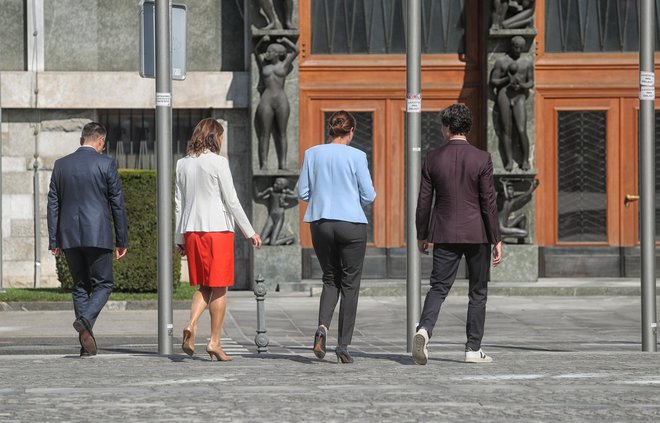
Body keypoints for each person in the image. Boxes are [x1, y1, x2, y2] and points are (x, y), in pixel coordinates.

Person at [412, 104, 503, 365]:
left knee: (438, 288)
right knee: (478, 291)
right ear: (468, 128)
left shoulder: (432, 158)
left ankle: (424, 330)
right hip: (477, 234)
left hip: (444, 232)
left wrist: (423, 233)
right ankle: (473, 349)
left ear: (448, 127)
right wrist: (496, 238)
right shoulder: (481, 158)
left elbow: (424, 201)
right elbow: (489, 201)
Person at [175, 118, 262, 361]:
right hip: (218, 230)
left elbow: (178, 204)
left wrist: (179, 237)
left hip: (192, 231)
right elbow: (232, 200)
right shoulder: (218, 163)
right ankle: (214, 341)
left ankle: (192, 323)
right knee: (220, 287)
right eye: (220, 136)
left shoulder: (182, 164)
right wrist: (250, 231)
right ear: (214, 137)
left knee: (204, 285)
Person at [298, 110, 376, 364]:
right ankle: (343, 346)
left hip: (321, 222)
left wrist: (321, 200)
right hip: (351, 222)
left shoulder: (312, 153)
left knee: (330, 278)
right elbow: (369, 194)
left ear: (330, 130)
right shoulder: (357, 156)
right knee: (350, 284)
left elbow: (303, 191)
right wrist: (353, 202)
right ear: (351, 132)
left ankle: (322, 328)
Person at [47, 122, 129, 357]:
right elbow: (117, 203)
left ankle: (85, 343)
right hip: (98, 234)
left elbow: (53, 203)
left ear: (82, 139)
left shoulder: (61, 165)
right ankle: (85, 320)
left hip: (69, 235)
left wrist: (54, 240)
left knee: (80, 286)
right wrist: (122, 239)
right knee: (104, 284)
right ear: (101, 141)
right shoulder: (106, 163)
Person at [254, 35, 299, 170]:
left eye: (270, 51)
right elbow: (256, 51)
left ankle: (283, 164)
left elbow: (296, 51)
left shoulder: (284, 64)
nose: (267, 53)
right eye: (267, 51)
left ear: (278, 54)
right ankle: (264, 164)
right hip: (266, 99)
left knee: (282, 132)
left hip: (281, 99)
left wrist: (285, 41)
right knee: (264, 134)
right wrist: (262, 41)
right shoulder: (264, 64)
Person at [490, 35, 534, 171]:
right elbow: (493, 81)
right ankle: (509, 161)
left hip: (519, 96)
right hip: (504, 94)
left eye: (521, 48)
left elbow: (531, 82)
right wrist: (506, 80)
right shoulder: (501, 62)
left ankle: (525, 160)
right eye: (516, 47)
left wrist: (521, 85)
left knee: (521, 129)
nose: (518, 50)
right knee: (506, 129)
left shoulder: (526, 63)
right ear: (511, 46)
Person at [255, 177, 298, 245]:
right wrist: (254, 184)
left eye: (278, 185)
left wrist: (288, 191)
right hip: (271, 216)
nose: (275, 185)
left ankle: (291, 237)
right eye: (275, 183)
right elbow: (258, 196)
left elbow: (297, 197)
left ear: (283, 187)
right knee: (261, 241)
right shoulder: (271, 190)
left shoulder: (283, 195)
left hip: (279, 216)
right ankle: (278, 239)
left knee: (273, 243)